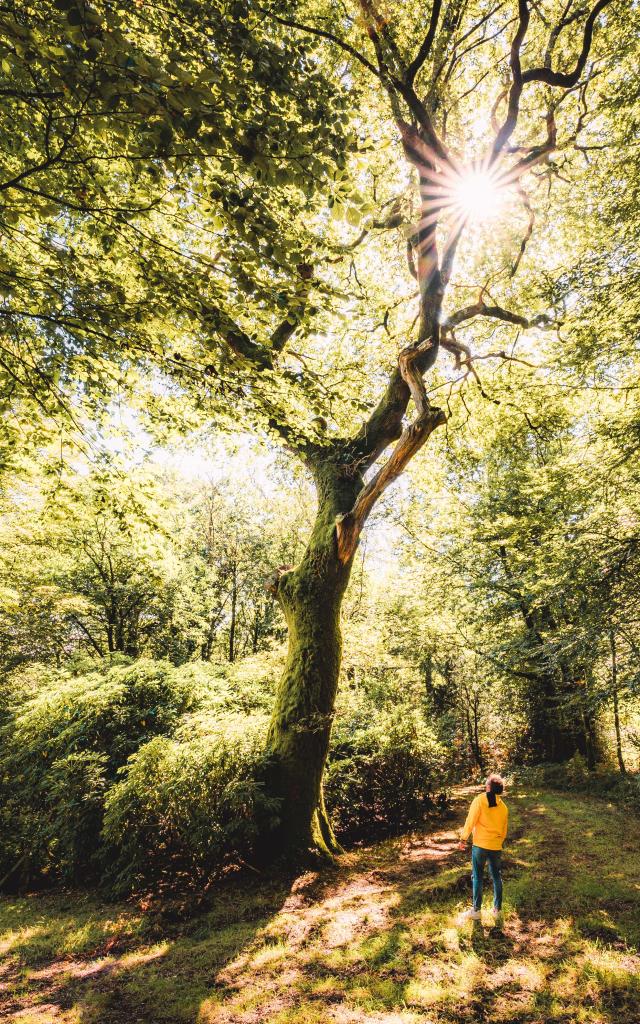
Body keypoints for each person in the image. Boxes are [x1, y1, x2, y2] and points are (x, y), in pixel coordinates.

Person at [458, 773, 508, 921]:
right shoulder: (504, 807)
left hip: (480, 845)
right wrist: (498, 842)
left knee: (477, 877)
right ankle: (497, 910)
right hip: (495, 846)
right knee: (496, 877)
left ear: (488, 787)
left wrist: (463, 839)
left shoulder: (479, 800)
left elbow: (470, 820)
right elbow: (504, 830)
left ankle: (476, 911)